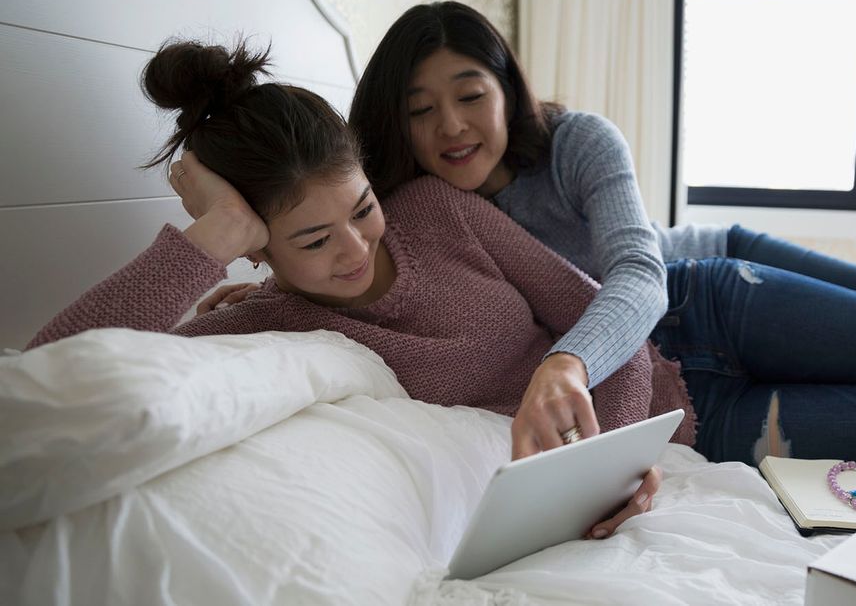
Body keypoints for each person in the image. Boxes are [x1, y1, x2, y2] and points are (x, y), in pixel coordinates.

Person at [172, 4, 856, 475]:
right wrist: (218, 244)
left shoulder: (554, 152)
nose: (452, 125)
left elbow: (630, 279)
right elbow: (317, 190)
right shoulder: (383, 225)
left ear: (507, 88)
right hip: (675, 391)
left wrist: (570, 369)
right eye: (420, 110)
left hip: (694, 285)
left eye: (470, 95)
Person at [28, 40, 666, 539]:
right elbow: (46, 373)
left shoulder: (437, 208)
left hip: (675, 387)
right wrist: (213, 236)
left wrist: (605, 468)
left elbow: (615, 326)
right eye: (312, 240)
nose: (357, 249)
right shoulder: (266, 323)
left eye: (362, 207)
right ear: (257, 242)